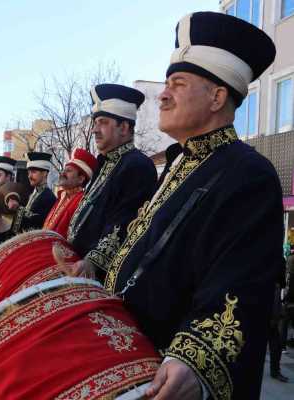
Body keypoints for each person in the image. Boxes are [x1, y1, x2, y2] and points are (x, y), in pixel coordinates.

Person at [66, 12, 281, 399]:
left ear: (217, 97)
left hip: (162, 373)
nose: (163, 95)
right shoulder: (179, 164)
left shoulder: (250, 173)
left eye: (177, 84)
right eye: (165, 83)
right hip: (128, 355)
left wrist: (193, 359)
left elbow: (239, 284)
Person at [66, 84, 157, 282]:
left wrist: (92, 262)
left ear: (124, 127)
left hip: (101, 278)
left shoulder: (138, 165)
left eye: (103, 122)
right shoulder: (104, 163)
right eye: (95, 123)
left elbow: (125, 222)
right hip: (78, 269)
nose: (94, 130)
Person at [43, 149, 97, 238]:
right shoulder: (62, 197)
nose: (62, 173)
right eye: (64, 170)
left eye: (68, 171)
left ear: (81, 179)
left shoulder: (82, 202)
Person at [9, 152, 56, 231]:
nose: (29, 176)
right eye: (28, 172)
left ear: (45, 173)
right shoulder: (35, 193)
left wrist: (17, 208)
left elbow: (35, 221)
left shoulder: (48, 197)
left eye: (33, 172)